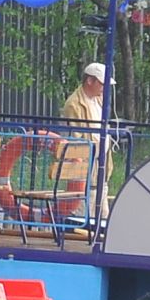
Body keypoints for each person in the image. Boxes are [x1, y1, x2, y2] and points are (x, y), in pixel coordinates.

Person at [57, 62, 110, 218]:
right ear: (90, 81)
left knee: (103, 213)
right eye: (101, 83)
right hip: (86, 165)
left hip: (100, 165)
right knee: (81, 211)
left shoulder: (99, 100)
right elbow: (77, 138)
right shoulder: (74, 104)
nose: (104, 88)